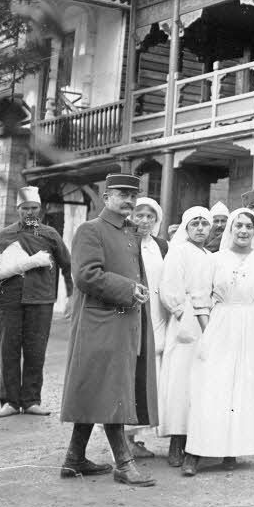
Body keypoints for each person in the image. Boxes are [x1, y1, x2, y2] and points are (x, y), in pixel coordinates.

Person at [59, 173, 159, 486]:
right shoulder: (91, 230)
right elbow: (86, 275)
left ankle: (74, 459)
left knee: (98, 388)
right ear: (106, 198)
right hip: (99, 323)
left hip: (121, 322)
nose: (128, 200)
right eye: (121, 194)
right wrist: (129, 289)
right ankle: (124, 463)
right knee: (111, 389)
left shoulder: (129, 232)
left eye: (133, 195)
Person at [182, 208, 254, 475]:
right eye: (238, 225)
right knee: (212, 387)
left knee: (245, 387)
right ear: (231, 228)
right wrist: (209, 330)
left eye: (248, 227)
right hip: (221, 322)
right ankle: (194, 453)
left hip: (253, 323)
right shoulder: (215, 259)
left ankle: (232, 451)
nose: (243, 231)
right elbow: (200, 296)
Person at [0, 185, 72, 418]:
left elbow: (67, 265)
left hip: (41, 301)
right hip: (9, 302)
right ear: (18, 210)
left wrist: (72, 295)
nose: (29, 212)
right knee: (9, 349)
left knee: (36, 351)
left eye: (33, 208)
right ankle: (10, 402)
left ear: (40, 209)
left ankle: (32, 400)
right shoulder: (5, 235)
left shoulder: (50, 234)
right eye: (25, 208)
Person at [157, 206, 214, 468]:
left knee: (202, 382)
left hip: (208, 319)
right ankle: (177, 442)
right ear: (186, 227)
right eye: (195, 224)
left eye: (205, 223)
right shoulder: (178, 251)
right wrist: (182, 313)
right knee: (181, 382)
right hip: (186, 320)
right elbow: (169, 286)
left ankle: (197, 440)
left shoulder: (210, 255)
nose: (201, 228)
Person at [127, 197, 168, 460]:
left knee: (151, 375)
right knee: (130, 373)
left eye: (149, 216)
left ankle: (137, 436)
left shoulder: (162, 246)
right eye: (139, 215)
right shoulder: (124, 243)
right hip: (131, 315)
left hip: (157, 316)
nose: (144, 220)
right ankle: (124, 436)